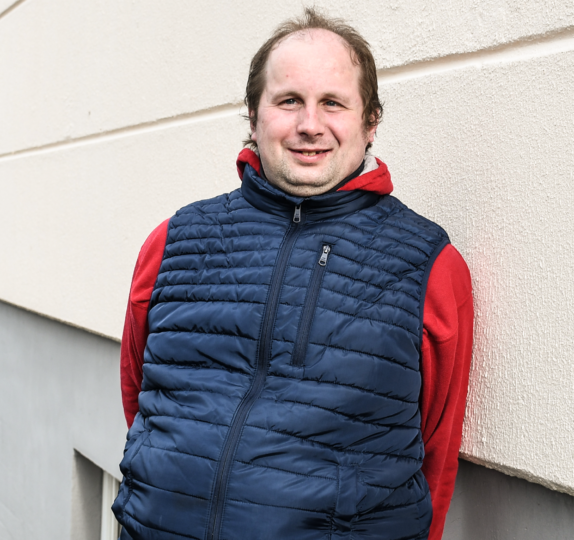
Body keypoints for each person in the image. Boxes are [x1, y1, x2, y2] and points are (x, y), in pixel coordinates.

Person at [113, 8, 473, 540]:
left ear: (371, 121)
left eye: (333, 102)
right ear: (253, 117)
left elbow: (437, 453)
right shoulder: (173, 241)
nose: (309, 125)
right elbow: (139, 394)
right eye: (288, 101)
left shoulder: (428, 264)